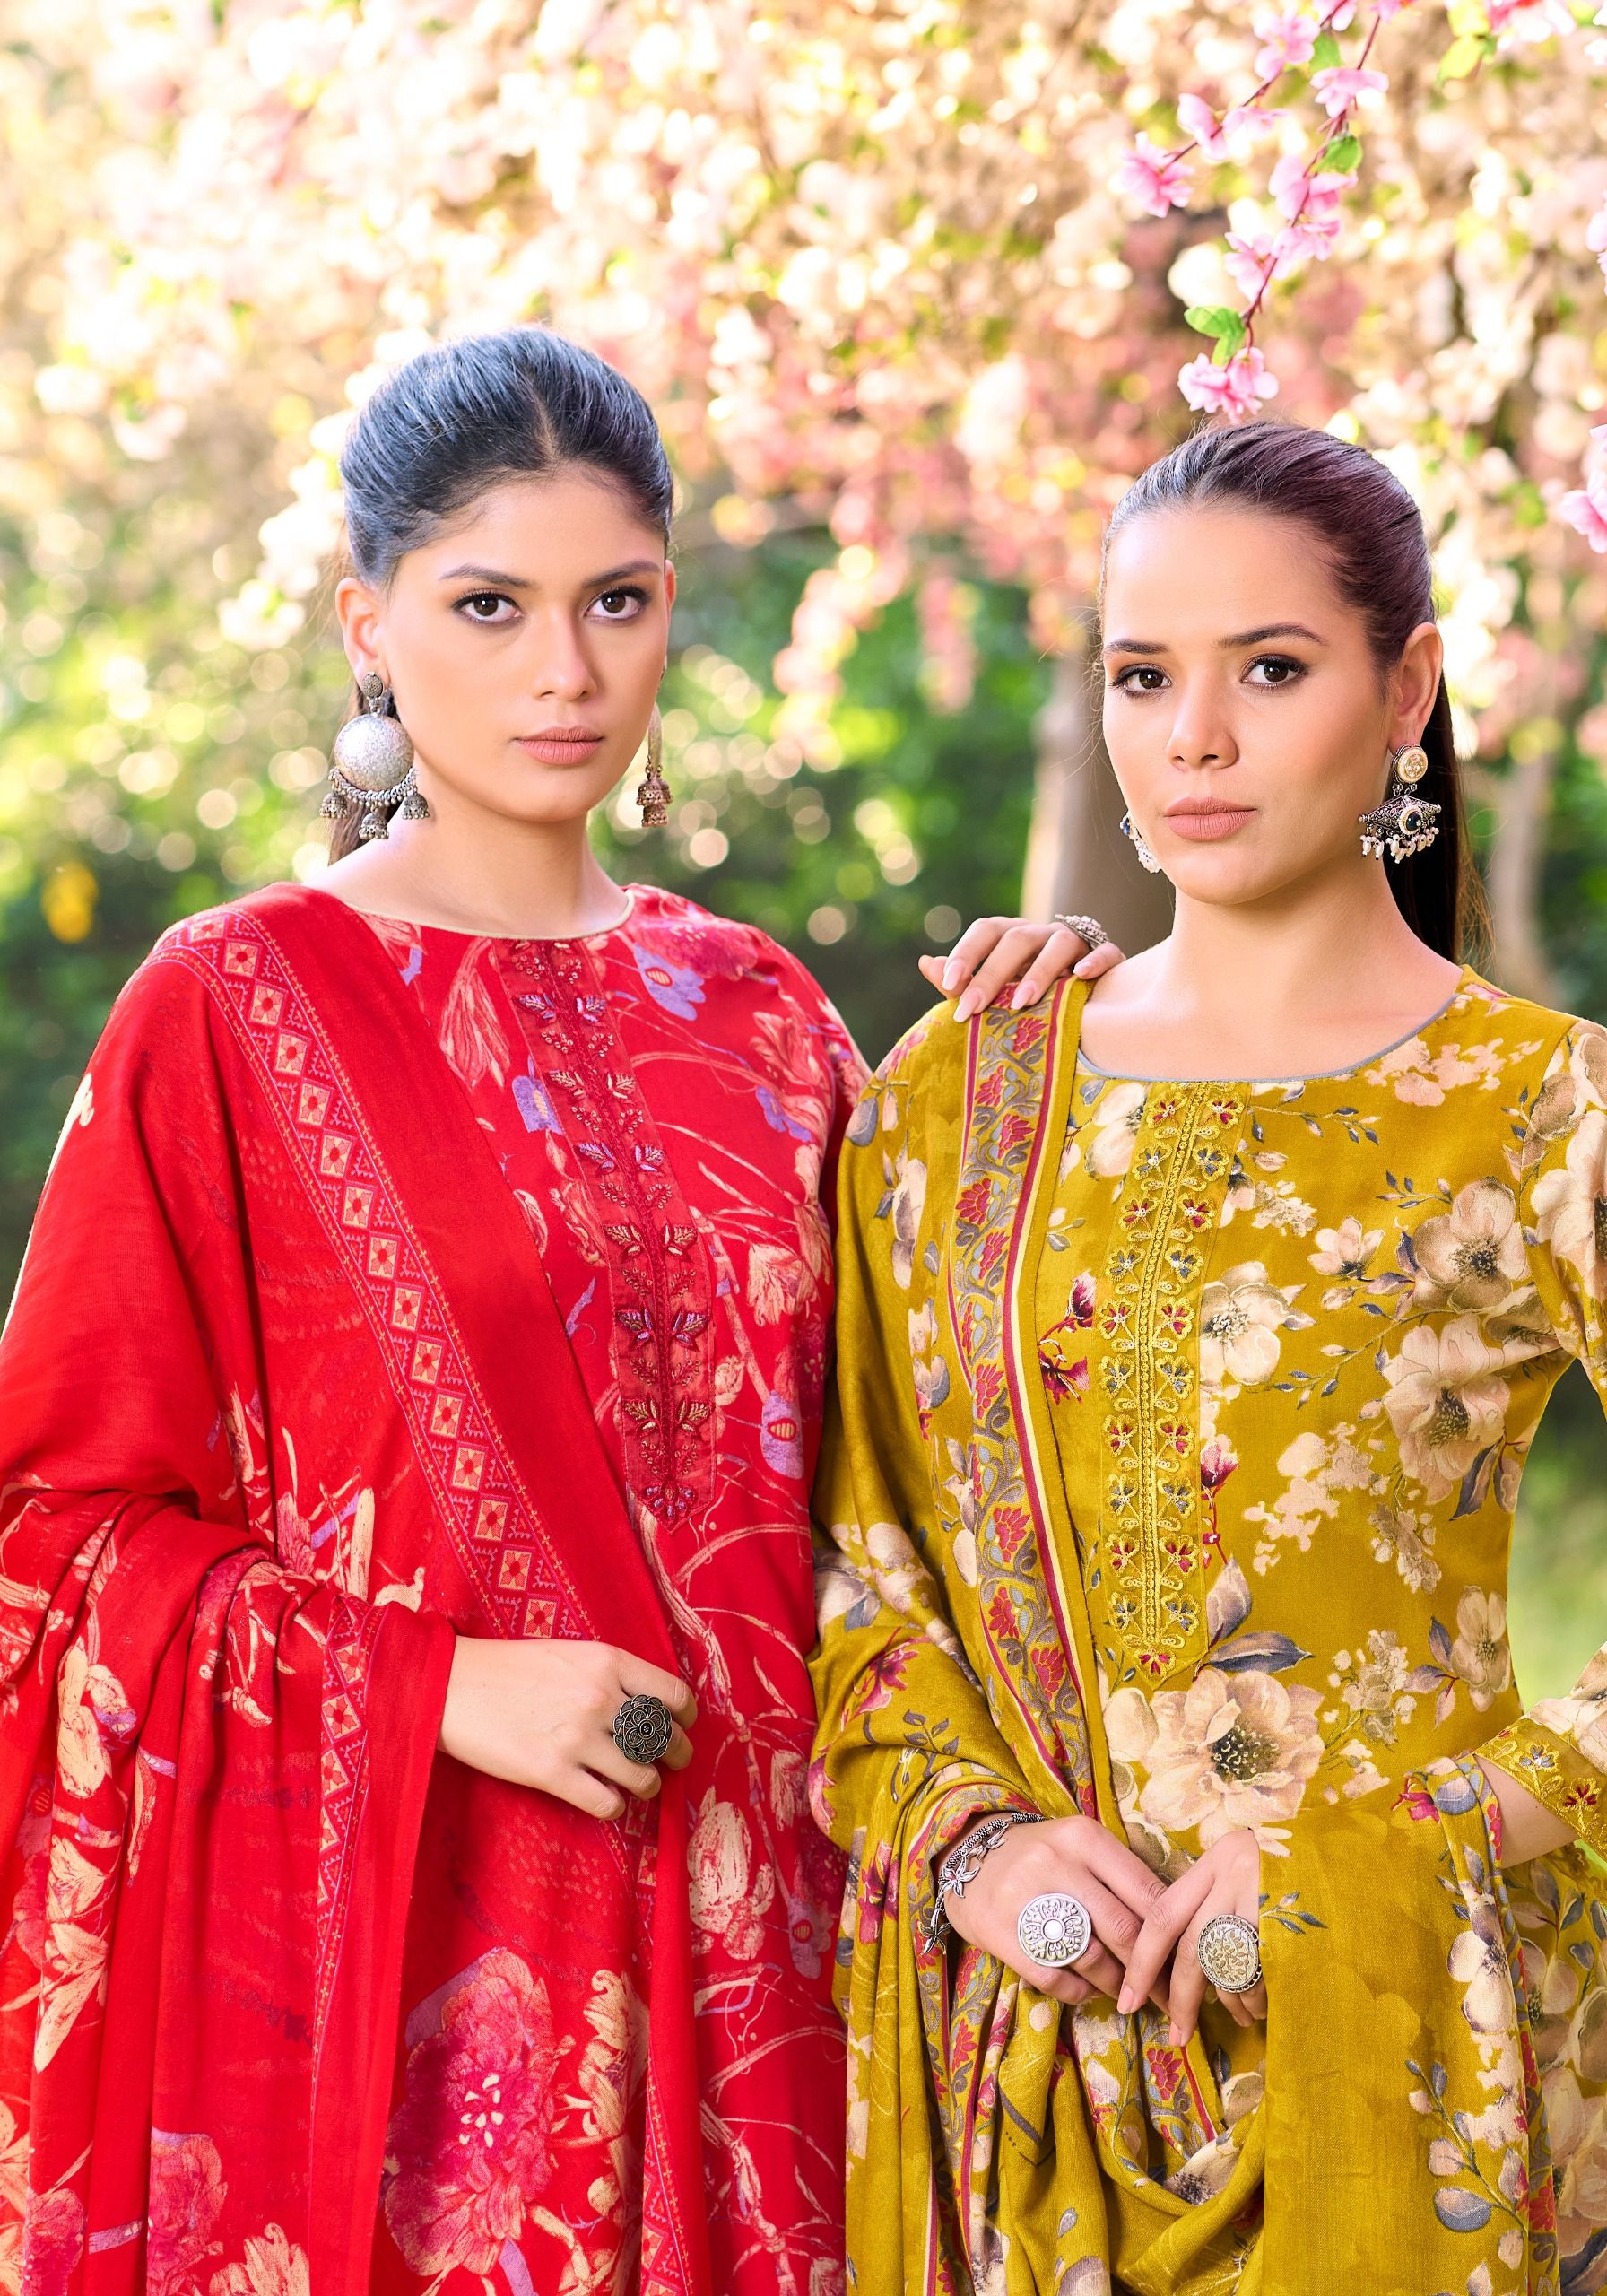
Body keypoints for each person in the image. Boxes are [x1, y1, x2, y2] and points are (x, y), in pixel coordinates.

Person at [0, 326, 1115, 2296]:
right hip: (435, 1980)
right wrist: (431, 1687)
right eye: (488, 606)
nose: (564, 671)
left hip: (784, 1973)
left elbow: (914, 1469)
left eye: (615, 601)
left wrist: (1064, 1058)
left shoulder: (764, 1015)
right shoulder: (233, 1008)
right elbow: (57, 1533)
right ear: (368, 625)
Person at [809, 417, 1607, 2294]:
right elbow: (853, 1553)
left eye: (1270, 669)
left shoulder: (1532, 1110)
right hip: (1027, 2085)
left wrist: (1411, 1836)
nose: (1195, 740)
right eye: (1142, 676)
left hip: (1415, 2070)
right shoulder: (962, 1094)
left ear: (1406, 690)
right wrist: (976, 1849)